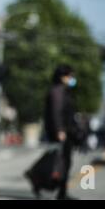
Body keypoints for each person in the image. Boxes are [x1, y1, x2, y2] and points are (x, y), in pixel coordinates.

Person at [40, 64, 78, 199]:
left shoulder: (64, 91)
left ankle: (61, 191)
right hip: (61, 133)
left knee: (64, 163)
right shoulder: (57, 91)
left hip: (66, 132)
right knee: (61, 163)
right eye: (70, 76)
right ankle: (58, 191)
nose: (72, 79)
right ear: (62, 77)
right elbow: (56, 112)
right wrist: (59, 130)